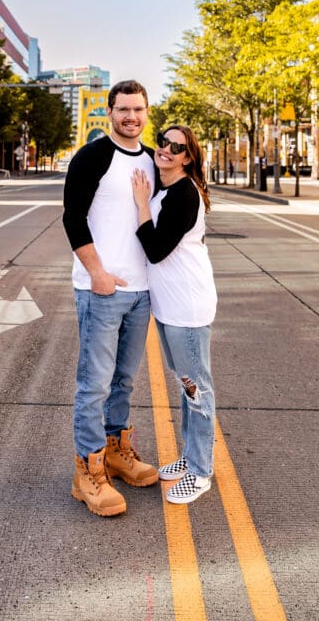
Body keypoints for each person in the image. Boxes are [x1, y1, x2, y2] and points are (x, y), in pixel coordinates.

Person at [63, 79, 158, 517]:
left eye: (138, 109)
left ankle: (117, 453)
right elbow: (72, 218)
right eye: (123, 109)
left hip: (141, 292)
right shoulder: (93, 156)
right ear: (109, 110)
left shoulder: (156, 159)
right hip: (101, 291)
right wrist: (97, 273)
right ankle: (88, 471)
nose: (131, 117)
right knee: (95, 383)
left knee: (123, 381)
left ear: (146, 111)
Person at [132, 125, 217, 505]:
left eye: (176, 147)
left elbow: (155, 249)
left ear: (188, 157)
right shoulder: (168, 187)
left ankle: (201, 471)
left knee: (197, 388)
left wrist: (139, 204)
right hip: (170, 305)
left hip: (187, 306)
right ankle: (189, 457)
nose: (165, 149)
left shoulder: (183, 192)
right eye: (162, 142)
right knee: (186, 384)